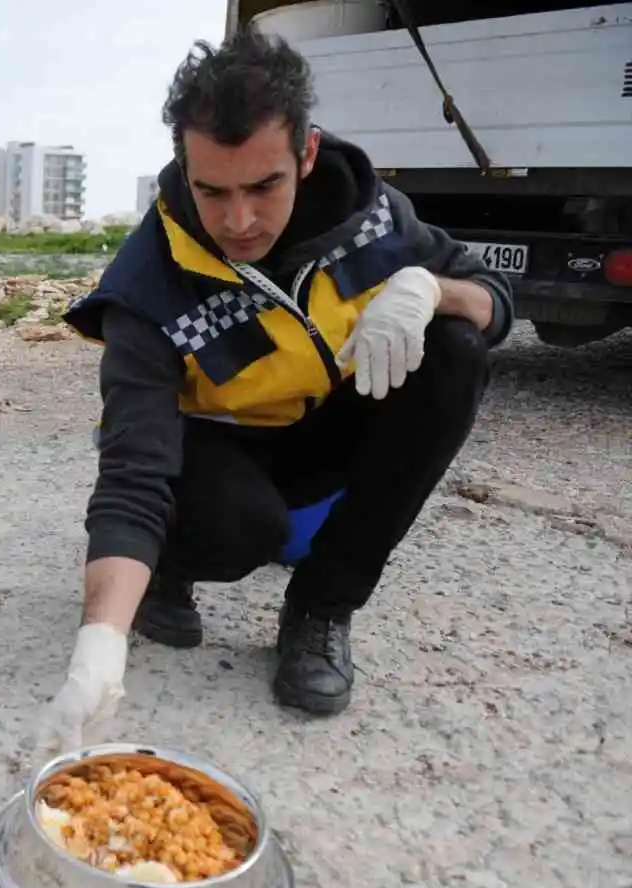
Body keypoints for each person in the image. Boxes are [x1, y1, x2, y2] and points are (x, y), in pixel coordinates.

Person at [39, 27, 514, 750]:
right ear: (183, 169)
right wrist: (98, 644)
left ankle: (321, 610)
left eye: (265, 186)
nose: (238, 221)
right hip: (206, 459)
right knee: (240, 529)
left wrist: (429, 288)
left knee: (456, 349)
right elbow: (133, 473)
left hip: (318, 435)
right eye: (212, 191)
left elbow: (496, 301)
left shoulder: (375, 217)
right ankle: (167, 571)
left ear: (307, 154)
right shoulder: (148, 281)